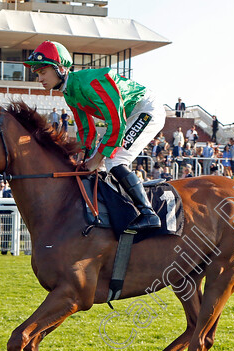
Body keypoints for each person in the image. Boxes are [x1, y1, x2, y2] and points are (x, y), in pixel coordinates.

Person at [25, 40, 162, 230]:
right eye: (37, 74)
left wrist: (95, 159)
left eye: (42, 72)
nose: (39, 78)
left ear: (59, 69)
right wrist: (83, 158)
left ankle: (148, 213)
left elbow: (116, 123)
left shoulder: (92, 82)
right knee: (99, 163)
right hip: (130, 115)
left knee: (114, 160)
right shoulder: (69, 93)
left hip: (146, 109)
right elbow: (86, 131)